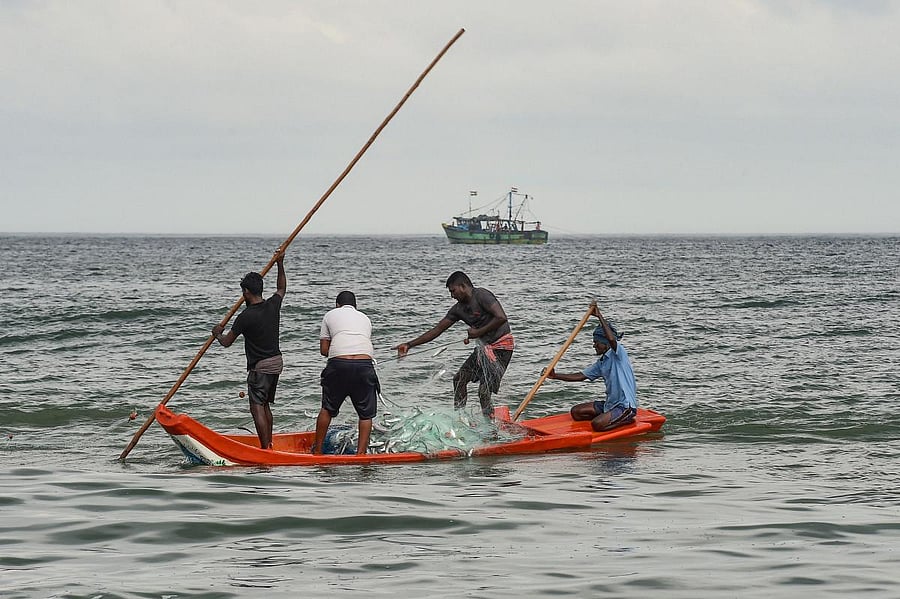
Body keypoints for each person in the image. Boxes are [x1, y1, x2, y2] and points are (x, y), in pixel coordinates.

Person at [393, 271, 514, 417]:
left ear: (463, 286)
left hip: (501, 347)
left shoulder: (482, 295)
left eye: (453, 291)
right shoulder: (458, 310)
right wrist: (409, 345)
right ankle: (460, 418)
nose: (452, 296)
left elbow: (501, 317)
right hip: (484, 349)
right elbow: (437, 330)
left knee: (484, 391)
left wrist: (478, 332)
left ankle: (490, 425)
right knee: (459, 379)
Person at [211, 250, 286, 450]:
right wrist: (280, 264)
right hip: (276, 362)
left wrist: (217, 333)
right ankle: (268, 444)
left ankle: (265, 449)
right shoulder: (272, 305)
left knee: (256, 406)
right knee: (265, 404)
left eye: (243, 292)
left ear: (246, 292)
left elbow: (227, 342)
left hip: (261, 366)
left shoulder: (245, 316)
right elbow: (281, 288)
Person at [544, 305, 638, 432]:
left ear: (605, 343)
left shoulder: (618, 354)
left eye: (596, 342)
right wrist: (555, 376)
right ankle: (610, 417)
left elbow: (611, 339)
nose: (594, 345)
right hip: (610, 405)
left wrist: (599, 316)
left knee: (597, 425)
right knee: (576, 412)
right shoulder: (602, 363)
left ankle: (625, 419)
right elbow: (581, 376)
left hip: (625, 406)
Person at [314, 290, 379, 455]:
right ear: (355, 306)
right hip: (364, 365)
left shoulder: (330, 315)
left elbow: (324, 350)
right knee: (365, 415)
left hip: (338, 365)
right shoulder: (365, 318)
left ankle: (317, 451)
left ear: (337, 305)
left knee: (327, 409)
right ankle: (361, 454)